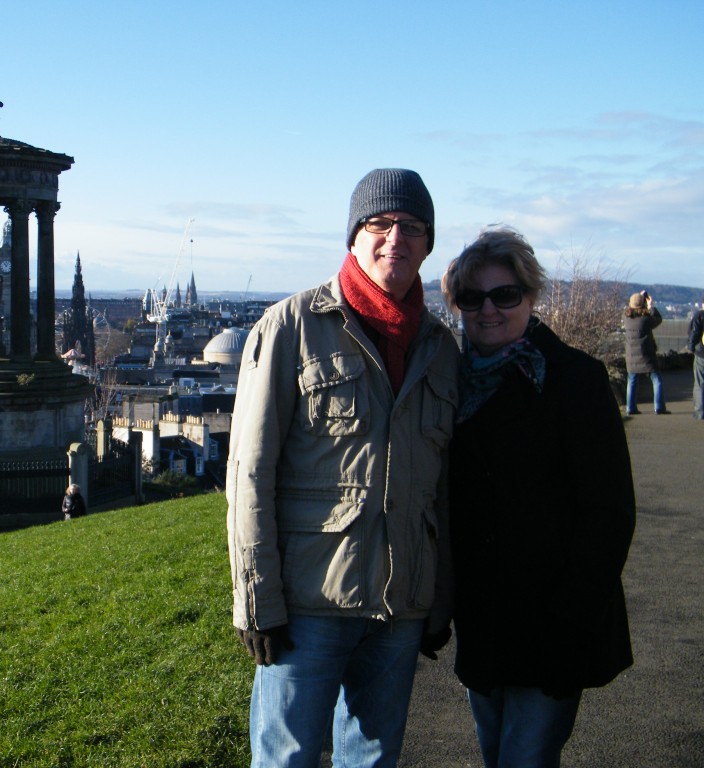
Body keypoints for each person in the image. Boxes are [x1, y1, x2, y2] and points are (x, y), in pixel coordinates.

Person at [226, 169, 459, 768]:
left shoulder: (439, 346)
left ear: (428, 244)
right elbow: (249, 474)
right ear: (353, 237)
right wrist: (256, 600)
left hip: (399, 607)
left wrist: (436, 597)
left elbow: (443, 487)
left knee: (375, 762)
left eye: (411, 227)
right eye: (378, 224)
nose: (394, 238)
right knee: (286, 759)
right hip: (309, 603)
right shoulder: (289, 327)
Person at [441, 227, 635, 768]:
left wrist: (573, 620)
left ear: (531, 297)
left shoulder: (575, 379)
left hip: (553, 621)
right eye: (473, 298)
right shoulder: (450, 383)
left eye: (505, 295)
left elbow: (610, 513)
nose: (489, 310)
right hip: (484, 620)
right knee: (498, 753)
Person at [623, 290, 668, 414]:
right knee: (657, 380)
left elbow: (631, 308)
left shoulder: (626, 319)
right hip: (647, 355)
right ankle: (659, 407)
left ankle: (630, 408)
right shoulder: (646, 320)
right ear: (642, 304)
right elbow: (658, 319)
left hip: (631, 356)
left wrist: (638, 298)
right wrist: (651, 306)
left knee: (631, 381)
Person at [688, 301, 704, 420]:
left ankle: (700, 412)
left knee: (700, 383)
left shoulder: (700, 315)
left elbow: (694, 332)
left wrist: (691, 347)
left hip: (701, 354)